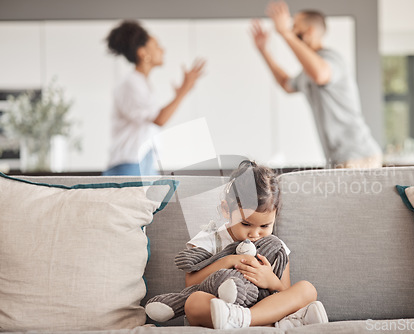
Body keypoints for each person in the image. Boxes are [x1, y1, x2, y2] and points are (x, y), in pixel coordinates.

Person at [181, 160, 328, 329]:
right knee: (193, 302)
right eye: (246, 224)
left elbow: (283, 292)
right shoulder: (209, 239)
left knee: (307, 289)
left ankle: (244, 319)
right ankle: (275, 322)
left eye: (265, 226)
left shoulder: (276, 248)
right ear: (226, 210)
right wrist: (230, 260)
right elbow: (190, 284)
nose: (255, 234)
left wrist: (271, 280)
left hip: (261, 310)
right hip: (221, 309)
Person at [251, 2, 382, 169]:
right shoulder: (308, 72)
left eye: (294, 27)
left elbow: (320, 75)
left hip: (359, 156)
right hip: (339, 158)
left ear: (309, 32)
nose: (291, 31)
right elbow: (286, 84)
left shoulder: (332, 59)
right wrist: (264, 51)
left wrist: (284, 33)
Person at [103, 20, 206, 176]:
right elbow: (159, 119)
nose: (162, 50)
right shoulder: (131, 83)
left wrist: (180, 94)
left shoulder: (141, 83)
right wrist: (183, 91)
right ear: (143, 53)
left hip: (141, 163)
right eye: (156, 46)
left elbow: (155, 120)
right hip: (129, 166)